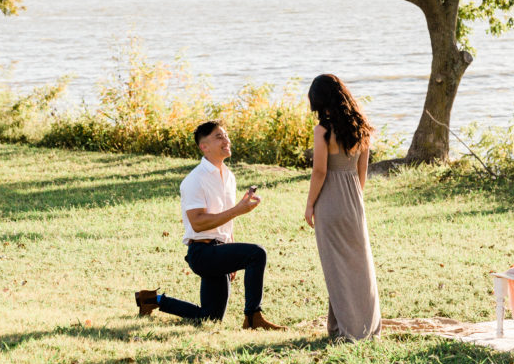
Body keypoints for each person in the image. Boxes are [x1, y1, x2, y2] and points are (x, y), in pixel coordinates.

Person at [135, 120, 285, 330]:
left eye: (226, 135)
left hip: (219, 250)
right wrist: (237, 210)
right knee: (256, 253)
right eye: (219, 137)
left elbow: (226, 219)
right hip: (202, 253)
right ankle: (253, 317)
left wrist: (230, 251)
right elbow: (197, 223)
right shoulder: (194, 179)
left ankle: (152, 300)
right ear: (203, 146)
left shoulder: (229, 177)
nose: (227, 140)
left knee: (210, 318)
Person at [304, 74, 381, 340]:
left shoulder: (322, 131)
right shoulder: (362, 127)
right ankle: (353, 326)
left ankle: (348, 330)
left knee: (335, 267)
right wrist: (355, 200)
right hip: (353, 200)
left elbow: (320, 172)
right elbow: (362, 172)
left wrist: (309, 205)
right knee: (359, 266)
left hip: (330, 200)